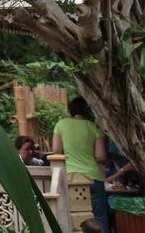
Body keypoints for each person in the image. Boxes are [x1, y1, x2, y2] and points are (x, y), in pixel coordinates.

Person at [54, 97, 112, 233]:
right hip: (93, 177)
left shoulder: (61, 125)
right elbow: (101, 156)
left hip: (70, 177)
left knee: (73, 216)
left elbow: (56, 150)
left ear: (70, 109)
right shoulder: (93, 127)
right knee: (99, 217)